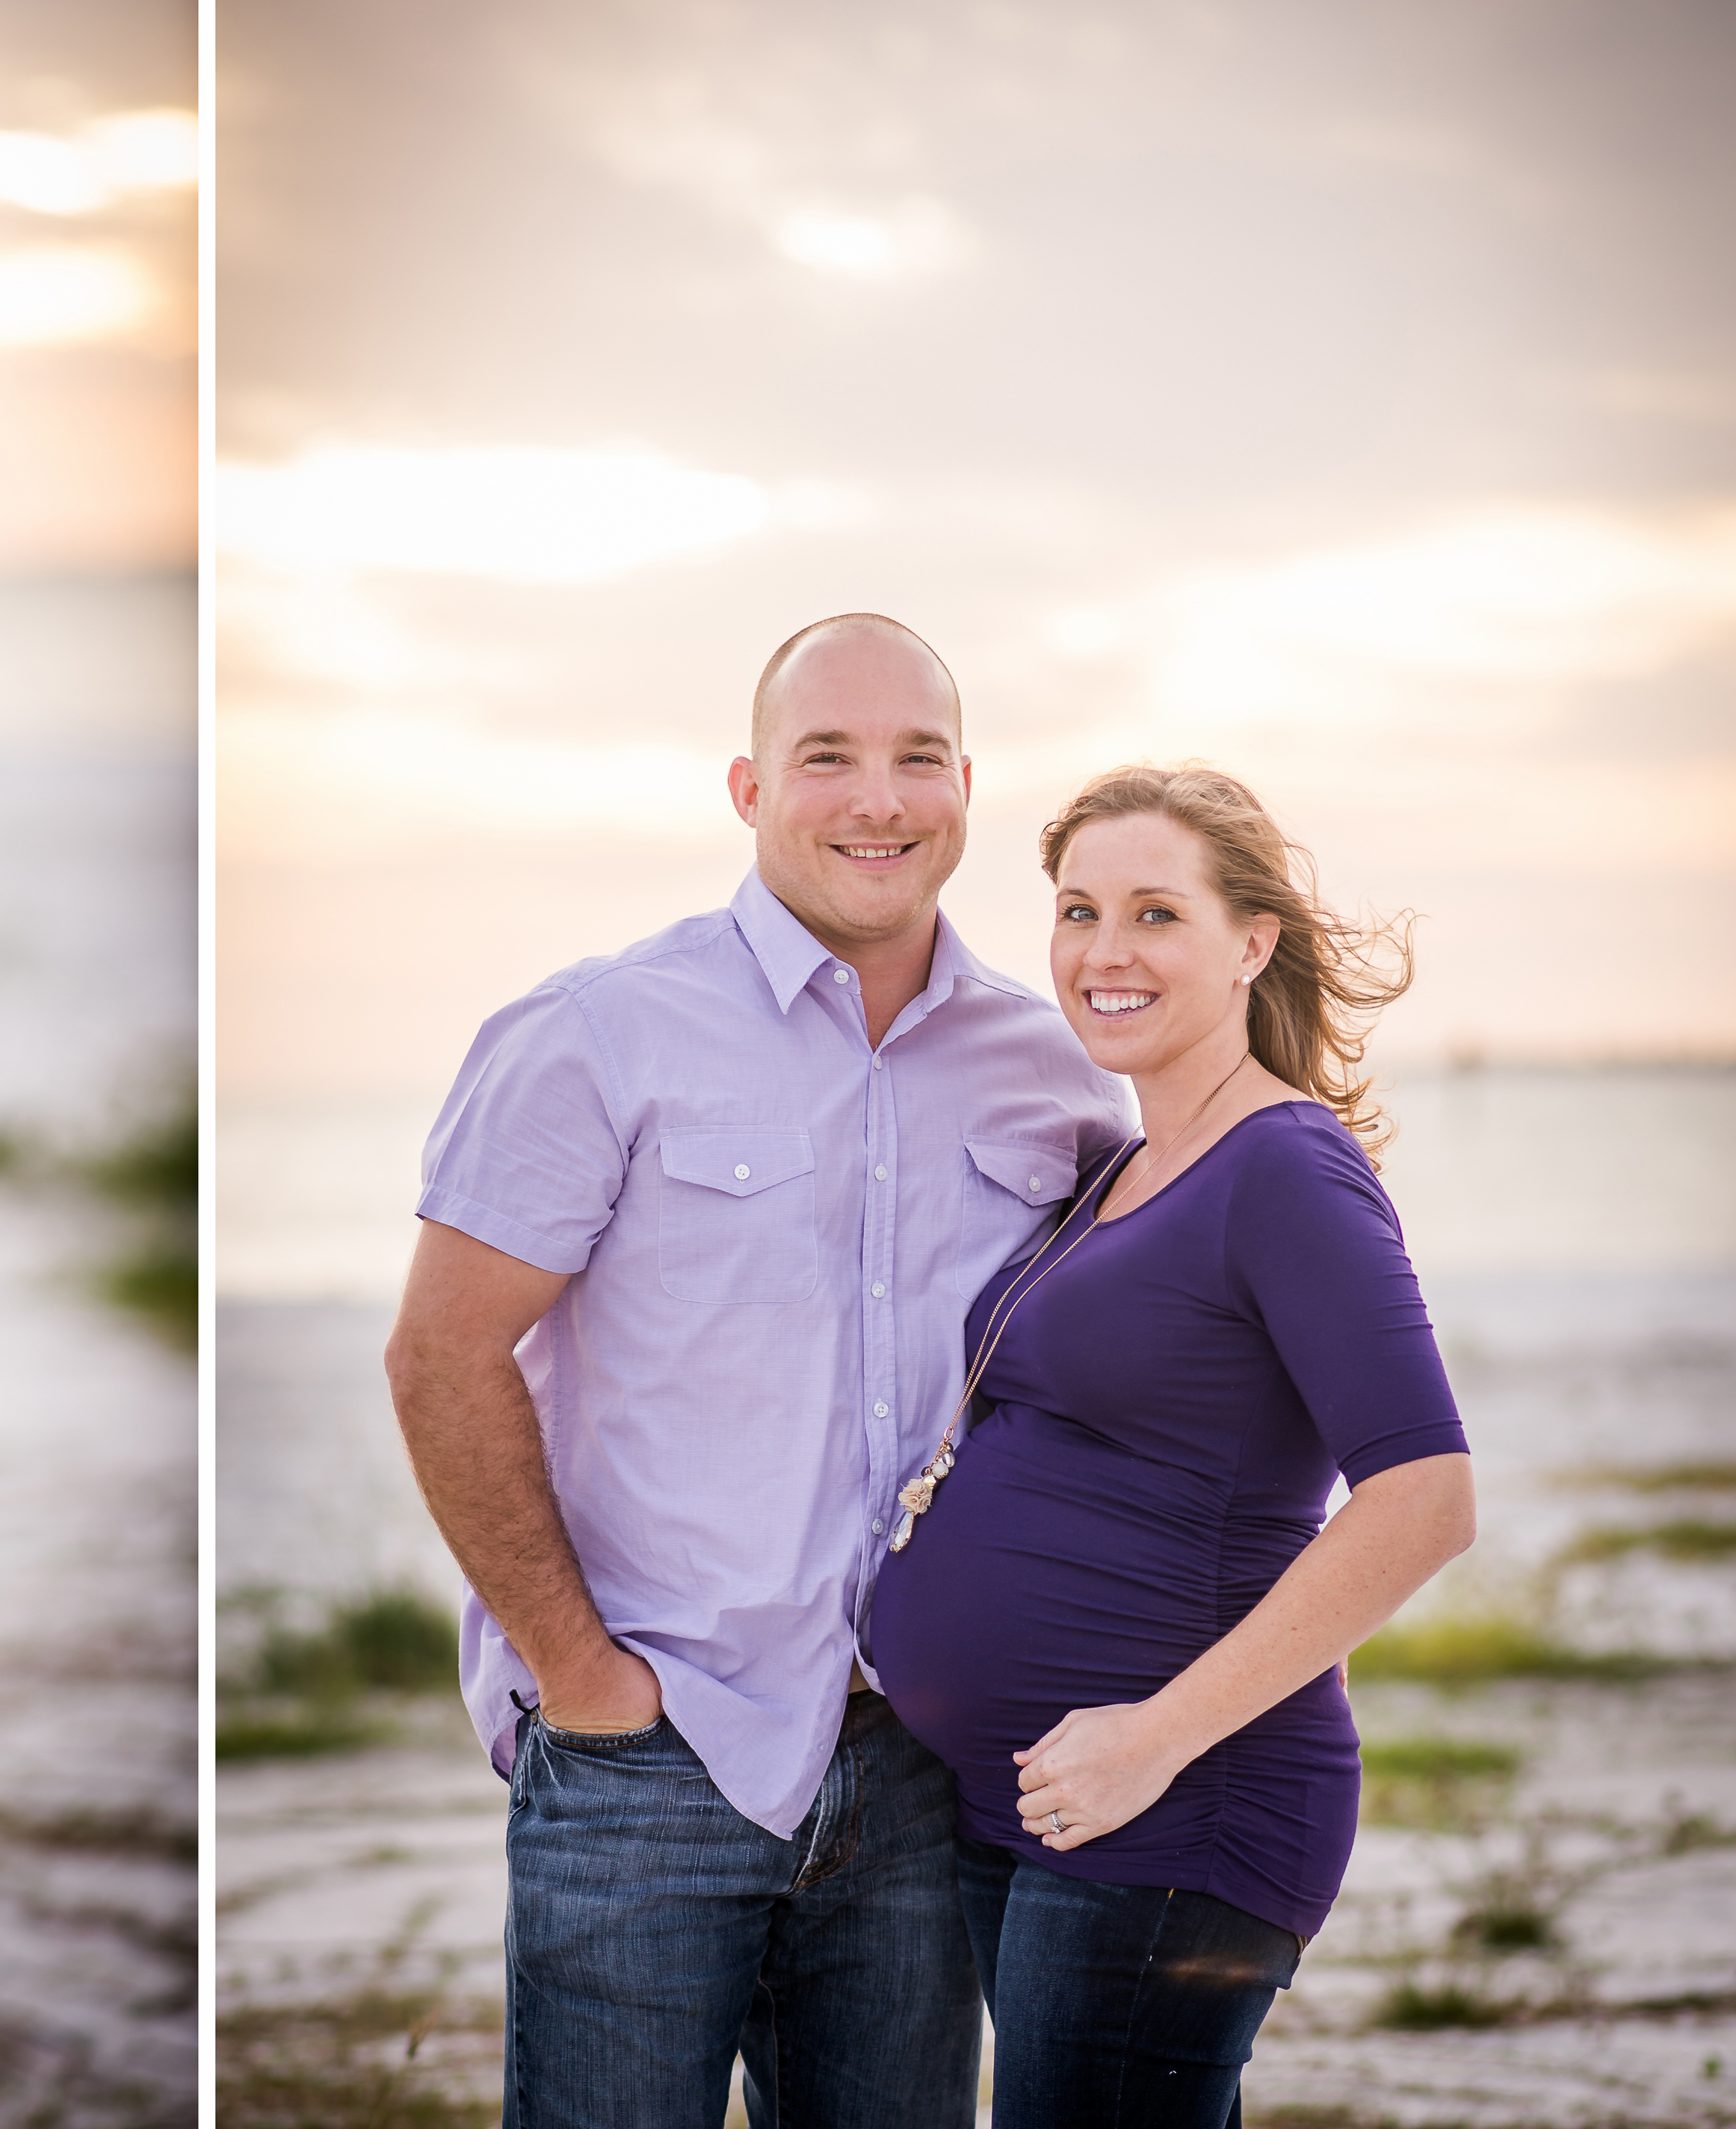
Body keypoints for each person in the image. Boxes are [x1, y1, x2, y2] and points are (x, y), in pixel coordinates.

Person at [386, 614, 1131, 2127]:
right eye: (826, 758)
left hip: (922, 1763)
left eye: (916, 757)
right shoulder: (594, 1036)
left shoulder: (1049, 1071)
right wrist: (583, 1681)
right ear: (744, 788)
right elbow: (437, 1355)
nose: (877, 799)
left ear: (967, 786)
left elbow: (1112, 1372)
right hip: (646, 1757)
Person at [867, 766, 1474, 2126]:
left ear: (1251, 941)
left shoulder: (1286, 1171)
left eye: (1155, 913)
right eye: (1078, 912)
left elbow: (1426, 1499)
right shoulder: (1119, 1168)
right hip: (1038, 1804)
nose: (1105, 953)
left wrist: (1156, 1738)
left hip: (1178, 1807)